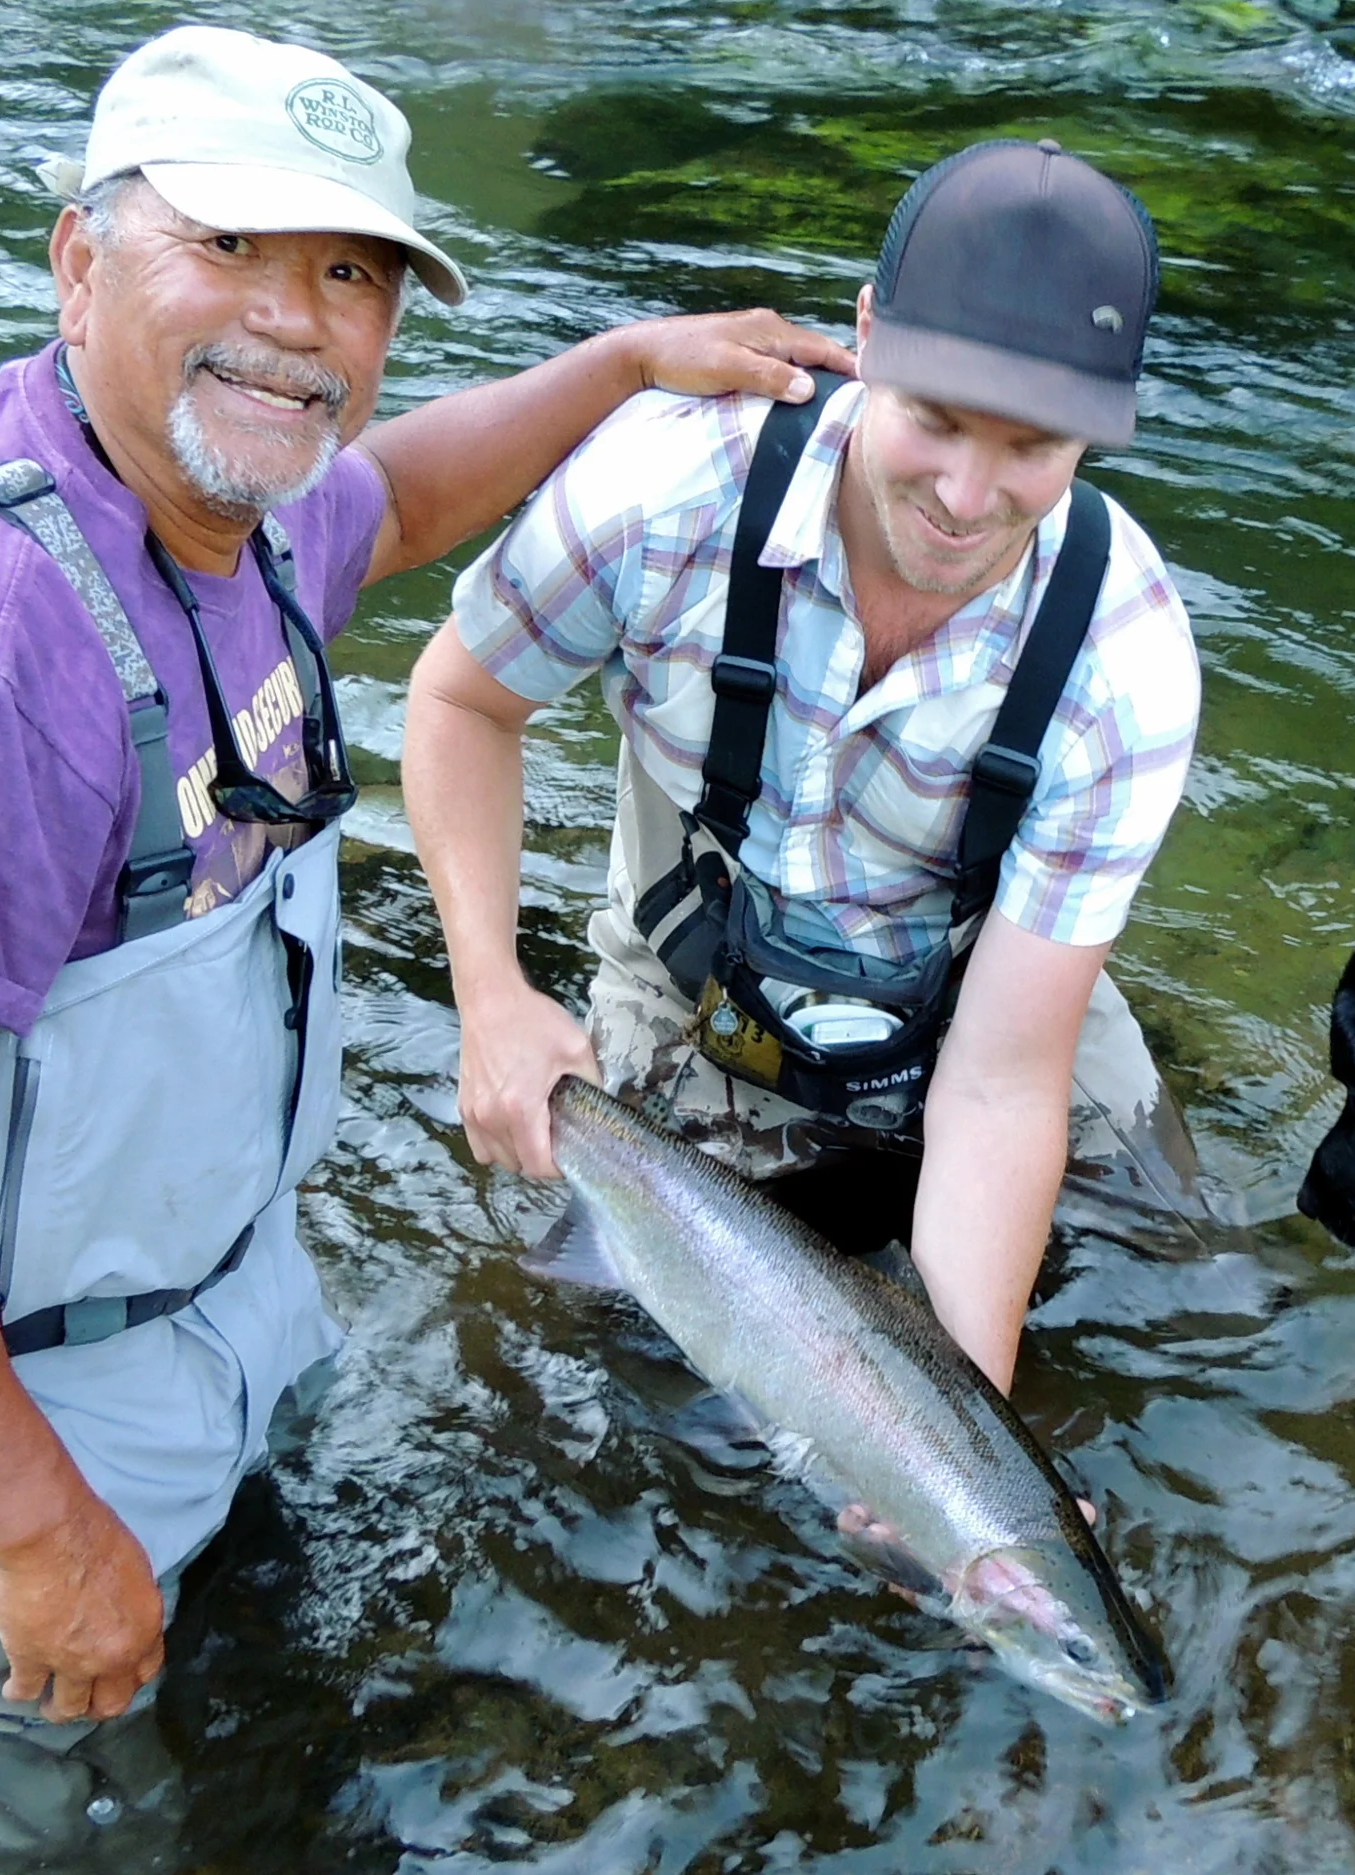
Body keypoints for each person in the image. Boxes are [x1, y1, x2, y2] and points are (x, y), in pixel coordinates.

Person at [0, 22, 849, 1744]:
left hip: (172, 1328)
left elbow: (406, 495)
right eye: (227, 246)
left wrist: (624, 365)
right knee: (11, 1826)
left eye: (351, 269)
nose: (295, 318)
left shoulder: (233, 509)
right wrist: (42, 1529)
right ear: (80, 255)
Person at [405, 138, 1209, 1401]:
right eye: (934, 419)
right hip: (696, 981)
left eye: (1033, 448)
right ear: (867, 331)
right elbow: (459, 699)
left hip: (984, 1000)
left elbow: (1002, 1085)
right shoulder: (663, 488)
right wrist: (491, 992)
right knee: (633, 1369)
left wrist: (960, 1449)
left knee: (1180, 1307)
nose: (966, 494)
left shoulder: (1126, 663)